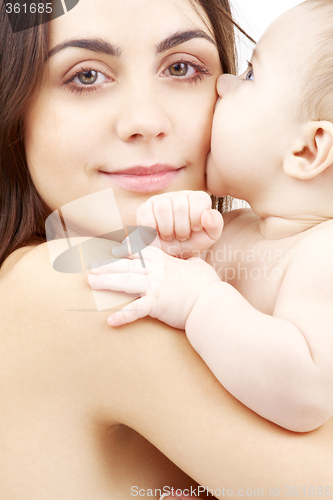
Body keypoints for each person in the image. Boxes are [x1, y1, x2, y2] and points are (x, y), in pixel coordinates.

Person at [1, 0, 333, 499]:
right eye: (86, 76)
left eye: (182, 68)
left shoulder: (230, 248)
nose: (145, 121)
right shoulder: (60, 287)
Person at [88, 0, 333, 436]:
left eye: (252, 75)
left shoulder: (324, 253)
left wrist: (200, 300)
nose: (223, 83)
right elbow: (152, 287)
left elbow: (308, 396)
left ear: (307, 150)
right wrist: (170, 243)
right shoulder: (235, 228)